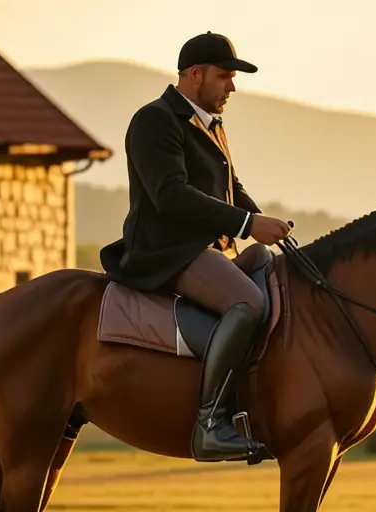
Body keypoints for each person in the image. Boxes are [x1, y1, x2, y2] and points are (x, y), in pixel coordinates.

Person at [100, 32, 293, 462]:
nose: (232, 87)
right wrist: (246, 222)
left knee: (267, 265)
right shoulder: (155, 120)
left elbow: (230, 189)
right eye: (225, 77)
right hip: (167, 252)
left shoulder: (211, 125)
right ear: (194, 74)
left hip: (209, 251)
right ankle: (210, 425)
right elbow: (171, 195)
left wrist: (264, 223)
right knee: (246, 302)